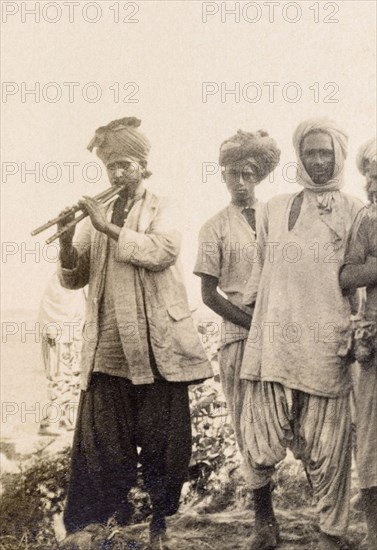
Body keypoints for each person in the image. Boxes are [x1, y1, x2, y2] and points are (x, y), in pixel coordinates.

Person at [58, 117, 213, 548]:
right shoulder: (95, 215)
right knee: (103, 444)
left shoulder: (165, 205)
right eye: (112, 167)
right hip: (108, 347)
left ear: (144, 166)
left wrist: (105, 226)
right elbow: (75, 278)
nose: (118, 174)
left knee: (164, 442)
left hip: (155, 343)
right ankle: (107, 523)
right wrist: (67, 240)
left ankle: (161, 520)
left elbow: (162, 251)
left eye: (126, 165)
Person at [240, 118, 363, 550]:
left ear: (339, 156)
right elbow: (260, 272)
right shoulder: (272, 208)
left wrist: (357, 334)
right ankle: (264, 522)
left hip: (327, 342)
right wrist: (249, 323)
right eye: (309, 151)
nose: (317, 160)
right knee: (258, 436)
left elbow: (359, 279)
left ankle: (331, 533)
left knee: (329, 448)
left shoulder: (356, 210)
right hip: (272, 340)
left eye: (325, 152)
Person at [193, 129, 280, 459]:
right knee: (249, 422)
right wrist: (254, 323)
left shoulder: (278, 217)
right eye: (233, 174)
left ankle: (315, 502)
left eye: (248, 174)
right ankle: (262, 509)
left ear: (258, 176)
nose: (241, 181)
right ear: (223, 176)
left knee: (290, 416)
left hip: (282, 333)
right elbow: (209, 295)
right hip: (240, 337)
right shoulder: (214, 227)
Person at [339, 138, 377, 550]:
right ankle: (374, 531)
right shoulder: (367, 221)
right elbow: (347, 276)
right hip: (375, 341)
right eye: (374, 177)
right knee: (371, 438)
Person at [38, 272, 86, 435]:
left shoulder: (73, 281)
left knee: (73, 377)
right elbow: (56, 308)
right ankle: (51, 421)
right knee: (59, 377)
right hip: (60, 334)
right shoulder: (62, 278)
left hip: (71, 334)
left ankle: (65, 418)